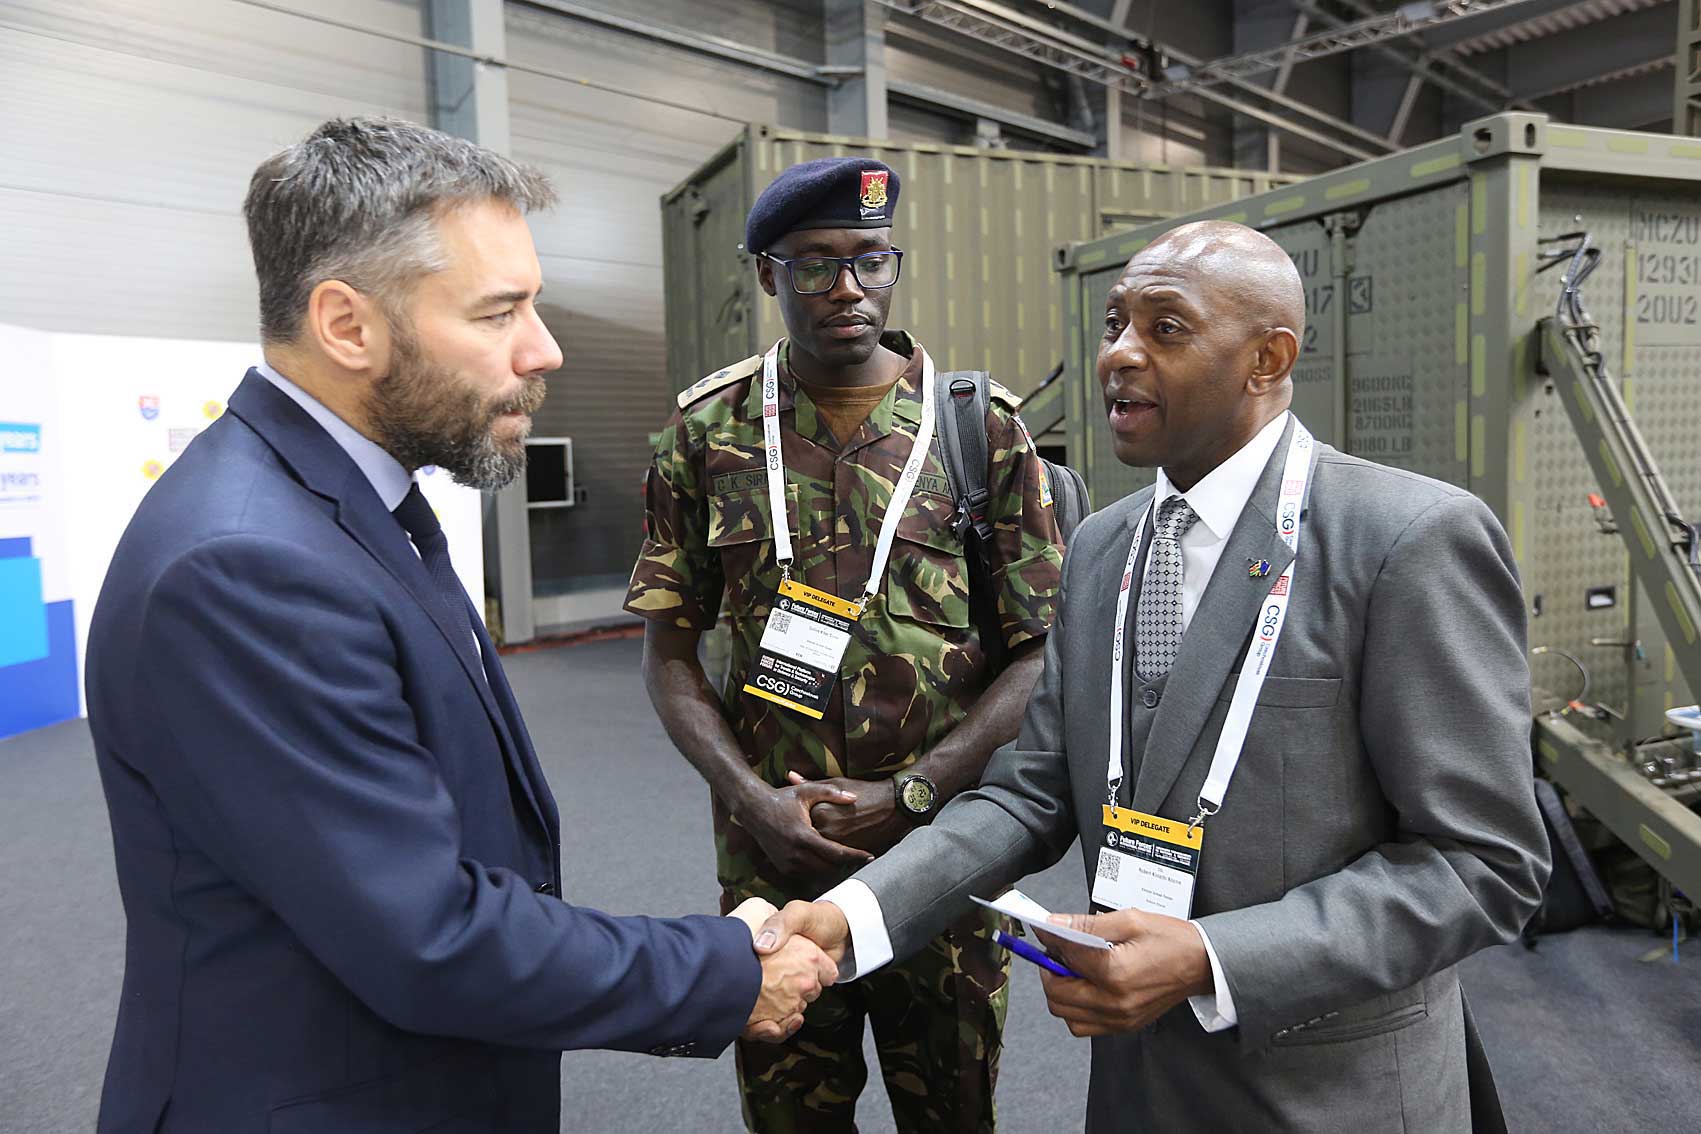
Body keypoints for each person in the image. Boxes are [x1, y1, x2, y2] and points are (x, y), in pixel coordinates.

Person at [83, 117, 835, 1134]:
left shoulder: (345, 505)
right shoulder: (246, 566)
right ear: (347, 326)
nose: (544, 348)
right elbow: (425, 935)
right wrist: (723, 974)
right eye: (498, 312)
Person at [759, 220, 1553, 1132]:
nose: (1118, 355)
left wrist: (1211, 958)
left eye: (1164, 329)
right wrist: (851, 913)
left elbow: (1483, 861)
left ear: (1266, 359)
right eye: (1113, 325)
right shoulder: (1102, 546)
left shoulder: (1404, 540)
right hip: (1137, 1081)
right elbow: (1029, 793)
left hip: (1328, 1088)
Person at [625, 157, 1065, 1132]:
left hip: (937, 859)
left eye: (870, 260)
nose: (848, 289)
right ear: (767, 274)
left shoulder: (978, 429)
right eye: (815, 265)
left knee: (952, 1112)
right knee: (790, 1116)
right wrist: (750, 800)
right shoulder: (708, 431)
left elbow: (1039, 655)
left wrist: (914, 792)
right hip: (772, 863)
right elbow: (669, 653)